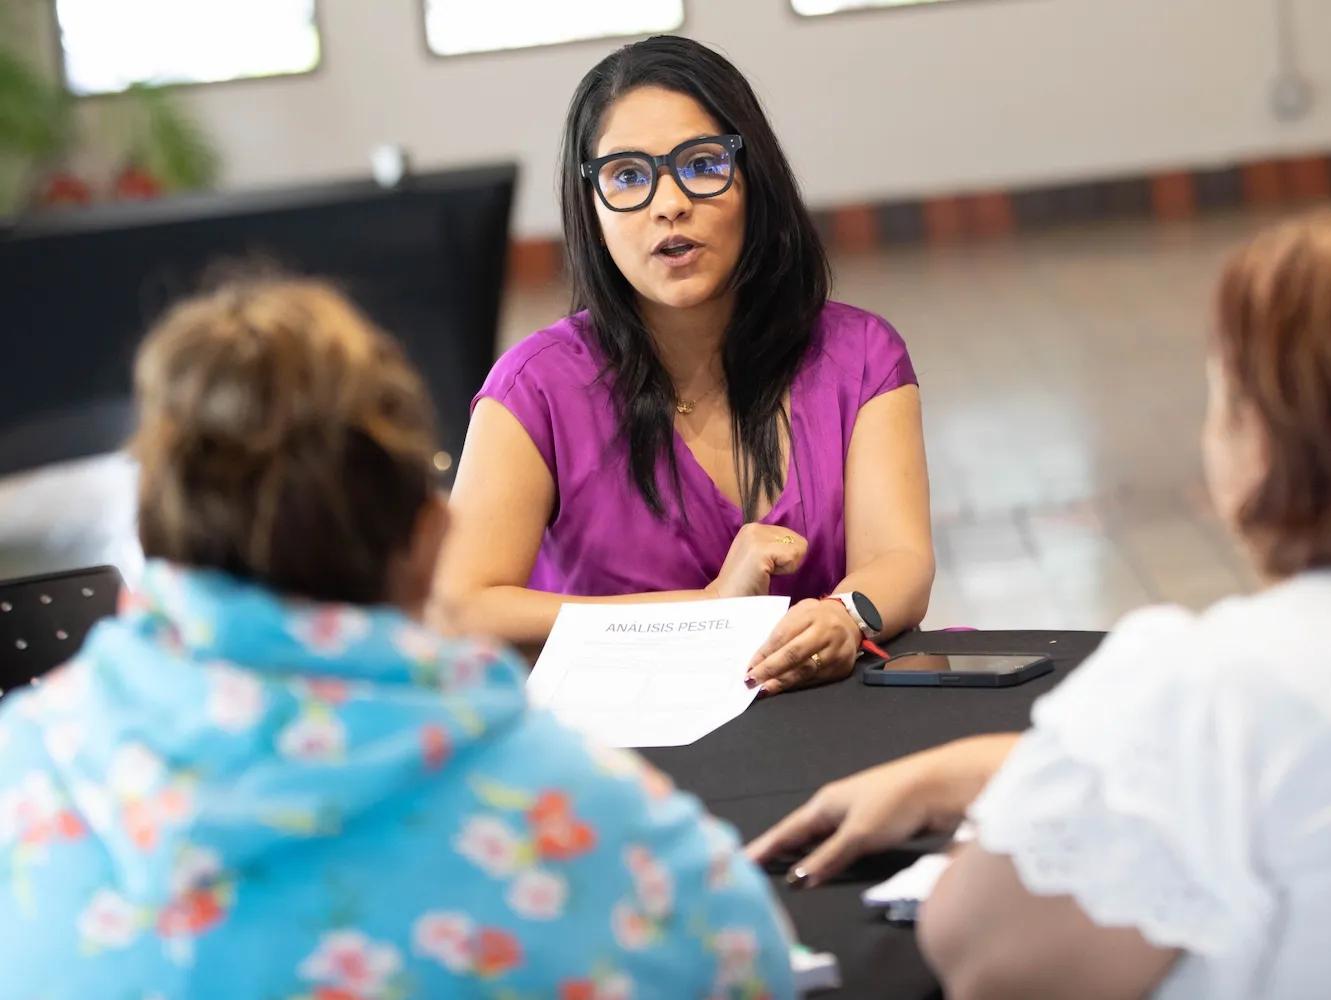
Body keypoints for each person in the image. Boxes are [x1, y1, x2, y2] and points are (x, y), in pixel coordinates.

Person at [749, 199, 1331, 998]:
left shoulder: (1210, 688)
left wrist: (1034, 800)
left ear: (1266, 440)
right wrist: (978, 772)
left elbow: (978, 953)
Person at [0, 279, 795, 999]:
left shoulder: (24, 761)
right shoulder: (576, 822)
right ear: (428, 536)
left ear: (154, 527)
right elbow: (745, 959)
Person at [435, 36, 934, 695]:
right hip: (622, 742)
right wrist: (705, 612)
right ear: (590, 207)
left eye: (701, 165)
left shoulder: (860, 356)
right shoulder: (535, 388)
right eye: (628, 176)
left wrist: (842, 616)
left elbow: (899, 560)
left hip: (822, 718)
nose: (668, 203)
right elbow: (459, 608)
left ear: (754, 177)